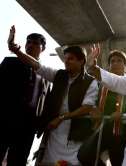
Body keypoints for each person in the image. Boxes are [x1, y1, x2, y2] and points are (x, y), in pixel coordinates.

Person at [8, 27, 98, 165]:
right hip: (54, 131)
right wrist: (17, 50)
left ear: (81, 62)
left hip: (75, 133)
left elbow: (87, 107)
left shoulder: (90, 82)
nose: (66, 61)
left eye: (71, 59)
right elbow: (37, 65)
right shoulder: (59, 75)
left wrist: (62, 118)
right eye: (66, 59)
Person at [0, 26, 50, 166]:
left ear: (43, 48)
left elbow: (46, 103)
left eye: (35, 43)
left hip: (27, 127)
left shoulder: (45, 75)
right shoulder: (9, 63)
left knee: (18, 161)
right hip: (4, 121)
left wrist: (41, 125)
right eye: (28, 42)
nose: (30, 45)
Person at [78, 50, 126, 166]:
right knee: (83, 155)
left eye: (119, 61)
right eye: (112, 61)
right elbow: (90, 100)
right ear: (109, 66)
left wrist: (123, 115)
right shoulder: (99, 83)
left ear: (125, 66)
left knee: (119, 162)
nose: (116, 63)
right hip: (101, 128)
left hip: (121, 132)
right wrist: (93, 109)